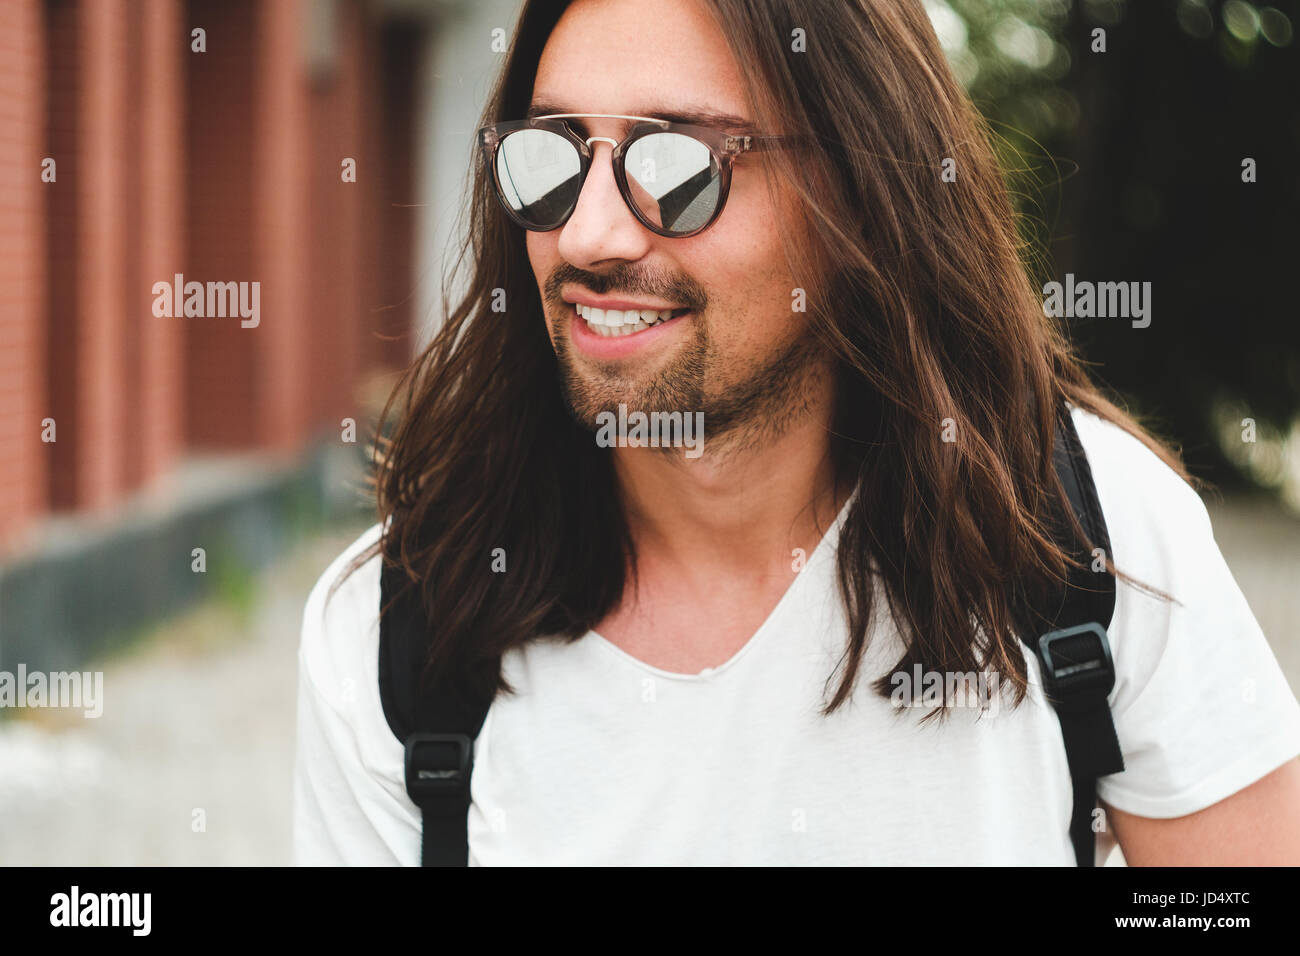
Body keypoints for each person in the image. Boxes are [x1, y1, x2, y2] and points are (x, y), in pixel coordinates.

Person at [291, 0, 1300, 865]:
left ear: (860, 189)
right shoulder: (398, 629)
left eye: (678, 162)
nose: (590, 234)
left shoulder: (1085, 534)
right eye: (550, 154)